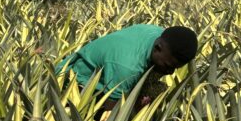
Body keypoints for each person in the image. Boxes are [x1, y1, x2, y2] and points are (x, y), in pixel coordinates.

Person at [57, 24, 198, 112]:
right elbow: (111, 111)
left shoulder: (158, 34)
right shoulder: (127, 67)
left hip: (115, 73)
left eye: (175, 68)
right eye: (168, 66)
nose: (170, 72)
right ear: (158, 48)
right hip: (78, 84)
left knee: (159, 92)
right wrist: (135, 107)